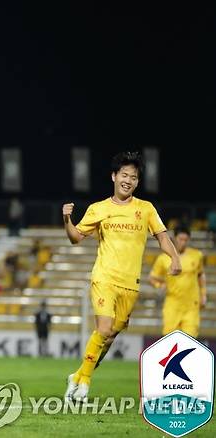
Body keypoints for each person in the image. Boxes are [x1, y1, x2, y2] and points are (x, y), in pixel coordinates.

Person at [62, 151, 181, 403]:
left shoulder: (145, 209)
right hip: (104, 277)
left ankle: (78, 375)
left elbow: (161, 237)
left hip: (130, 284)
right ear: (114, 176)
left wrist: (175, 257)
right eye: (124, 175)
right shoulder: (99, 209)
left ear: (137, 182)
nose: (128, 180)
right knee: (103, 328)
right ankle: (84, 383)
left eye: (134, 177)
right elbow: (75, 238)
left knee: (109, 336)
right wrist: (66, 219)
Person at [149, 226, 207, 337]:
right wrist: (159, 285)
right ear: (174, 238)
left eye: (186, 240)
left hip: (191, 306)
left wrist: (203, 294)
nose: (183, 243)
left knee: (190, 341)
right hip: (172, 304)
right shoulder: (163, 258)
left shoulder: (196, 255)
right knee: (171, 340)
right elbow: (152, 277)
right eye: (181, 239)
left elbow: (200, 275)